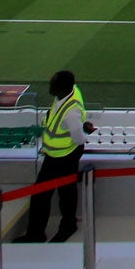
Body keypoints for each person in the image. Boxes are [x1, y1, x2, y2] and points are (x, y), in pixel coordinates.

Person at [21, 69, 94, 243]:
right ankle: (39, 232)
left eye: (53, 85)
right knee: (48, 194)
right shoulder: (68, 94)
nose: (50, 88)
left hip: (65, 155)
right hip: (55, 154)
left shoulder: (71, 111)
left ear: (62, 89)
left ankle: (63, 227)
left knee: (61, 193)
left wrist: (83, 132)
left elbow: (78, 137)